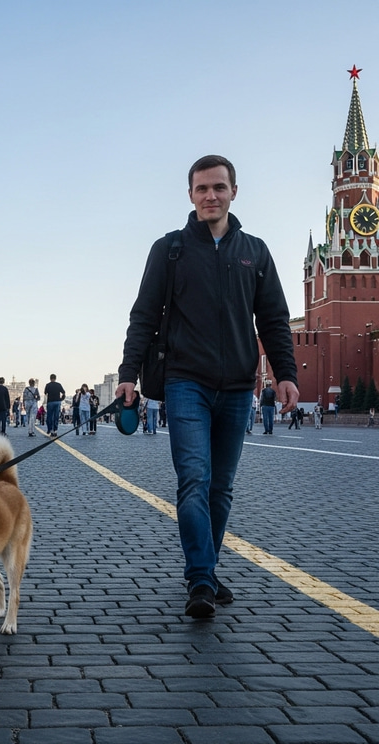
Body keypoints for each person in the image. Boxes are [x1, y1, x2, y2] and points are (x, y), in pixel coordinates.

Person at [116, 154, 298, 619]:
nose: (210, 196)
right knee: (194, 480)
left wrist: (286, 373)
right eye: (202, 189)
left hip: (238, 387)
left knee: (222, 489)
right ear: (191, 195)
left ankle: (206, 568)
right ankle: (201, 578)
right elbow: (144, 315)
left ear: (233, 192)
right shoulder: (170, 249)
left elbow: (274, 320)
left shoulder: (254, 251)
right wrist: (127, 374)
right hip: (185, 384)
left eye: (219, 187)